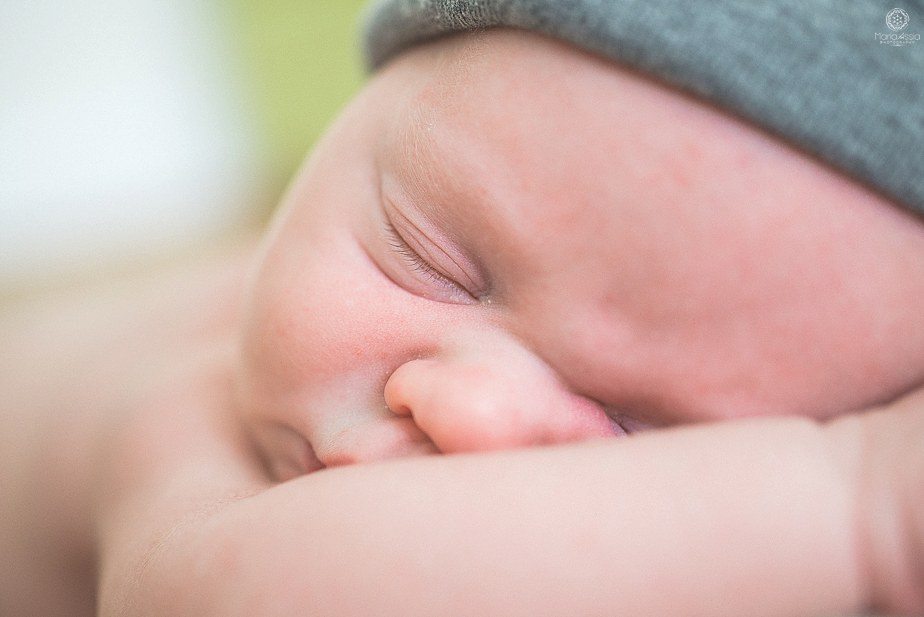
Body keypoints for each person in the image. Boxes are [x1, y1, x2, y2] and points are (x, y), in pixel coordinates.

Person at [2, 2, 923, 616]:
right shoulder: (187, 413)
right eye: (431, 258)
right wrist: (863, 507)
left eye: (638, 433)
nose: (469, 412)